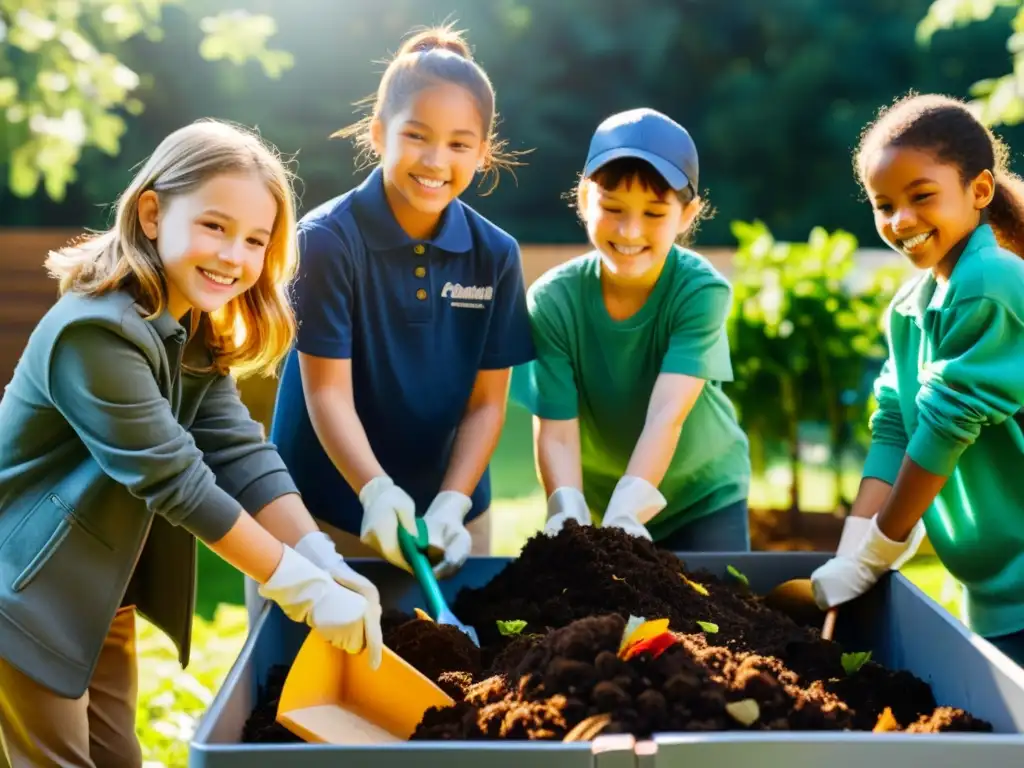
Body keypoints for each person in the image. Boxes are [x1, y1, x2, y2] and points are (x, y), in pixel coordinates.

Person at [0, 120, 385, 768]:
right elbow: (180, 482)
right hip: (27, 596)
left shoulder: (186, 328)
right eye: (215, 226)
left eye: (255, 240)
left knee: (119, 757)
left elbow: (239, 450)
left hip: (98, 597)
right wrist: (300, 588)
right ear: (152, 213)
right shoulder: (96, 335)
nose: (234, 255)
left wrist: (323, 558)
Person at [264, 24, 535, 589]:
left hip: (451, 516)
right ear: (378, 132)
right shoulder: (326, 240)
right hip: (324, 508)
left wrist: (453, 504)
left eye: (460, 143)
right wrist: (375, 491)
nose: (436, 159)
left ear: (483, 154)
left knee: (459, 666)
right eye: (416, 135)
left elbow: (488, 405)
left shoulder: (497, 255)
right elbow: (326, 391)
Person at [811, 93, 1024, 664]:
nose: (900, 220)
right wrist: (854, 547)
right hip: (994, 588)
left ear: (978, 191)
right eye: (883, 205)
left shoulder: (993, 281)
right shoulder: (910, 306)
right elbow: (895, 424)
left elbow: (945, 423)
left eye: (921, 196)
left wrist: (881, 546)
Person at [511, 108, 752, 551]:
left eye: (655, 213)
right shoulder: (552, 302)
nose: (630, 230)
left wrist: (632, 505)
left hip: (704, 494)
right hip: (602, 499)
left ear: (686, 215)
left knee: (717, 617)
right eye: (613, 207)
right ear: (584, 199)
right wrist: (567, 509)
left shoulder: (699, 290)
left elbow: (667, 413)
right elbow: (556, 428)